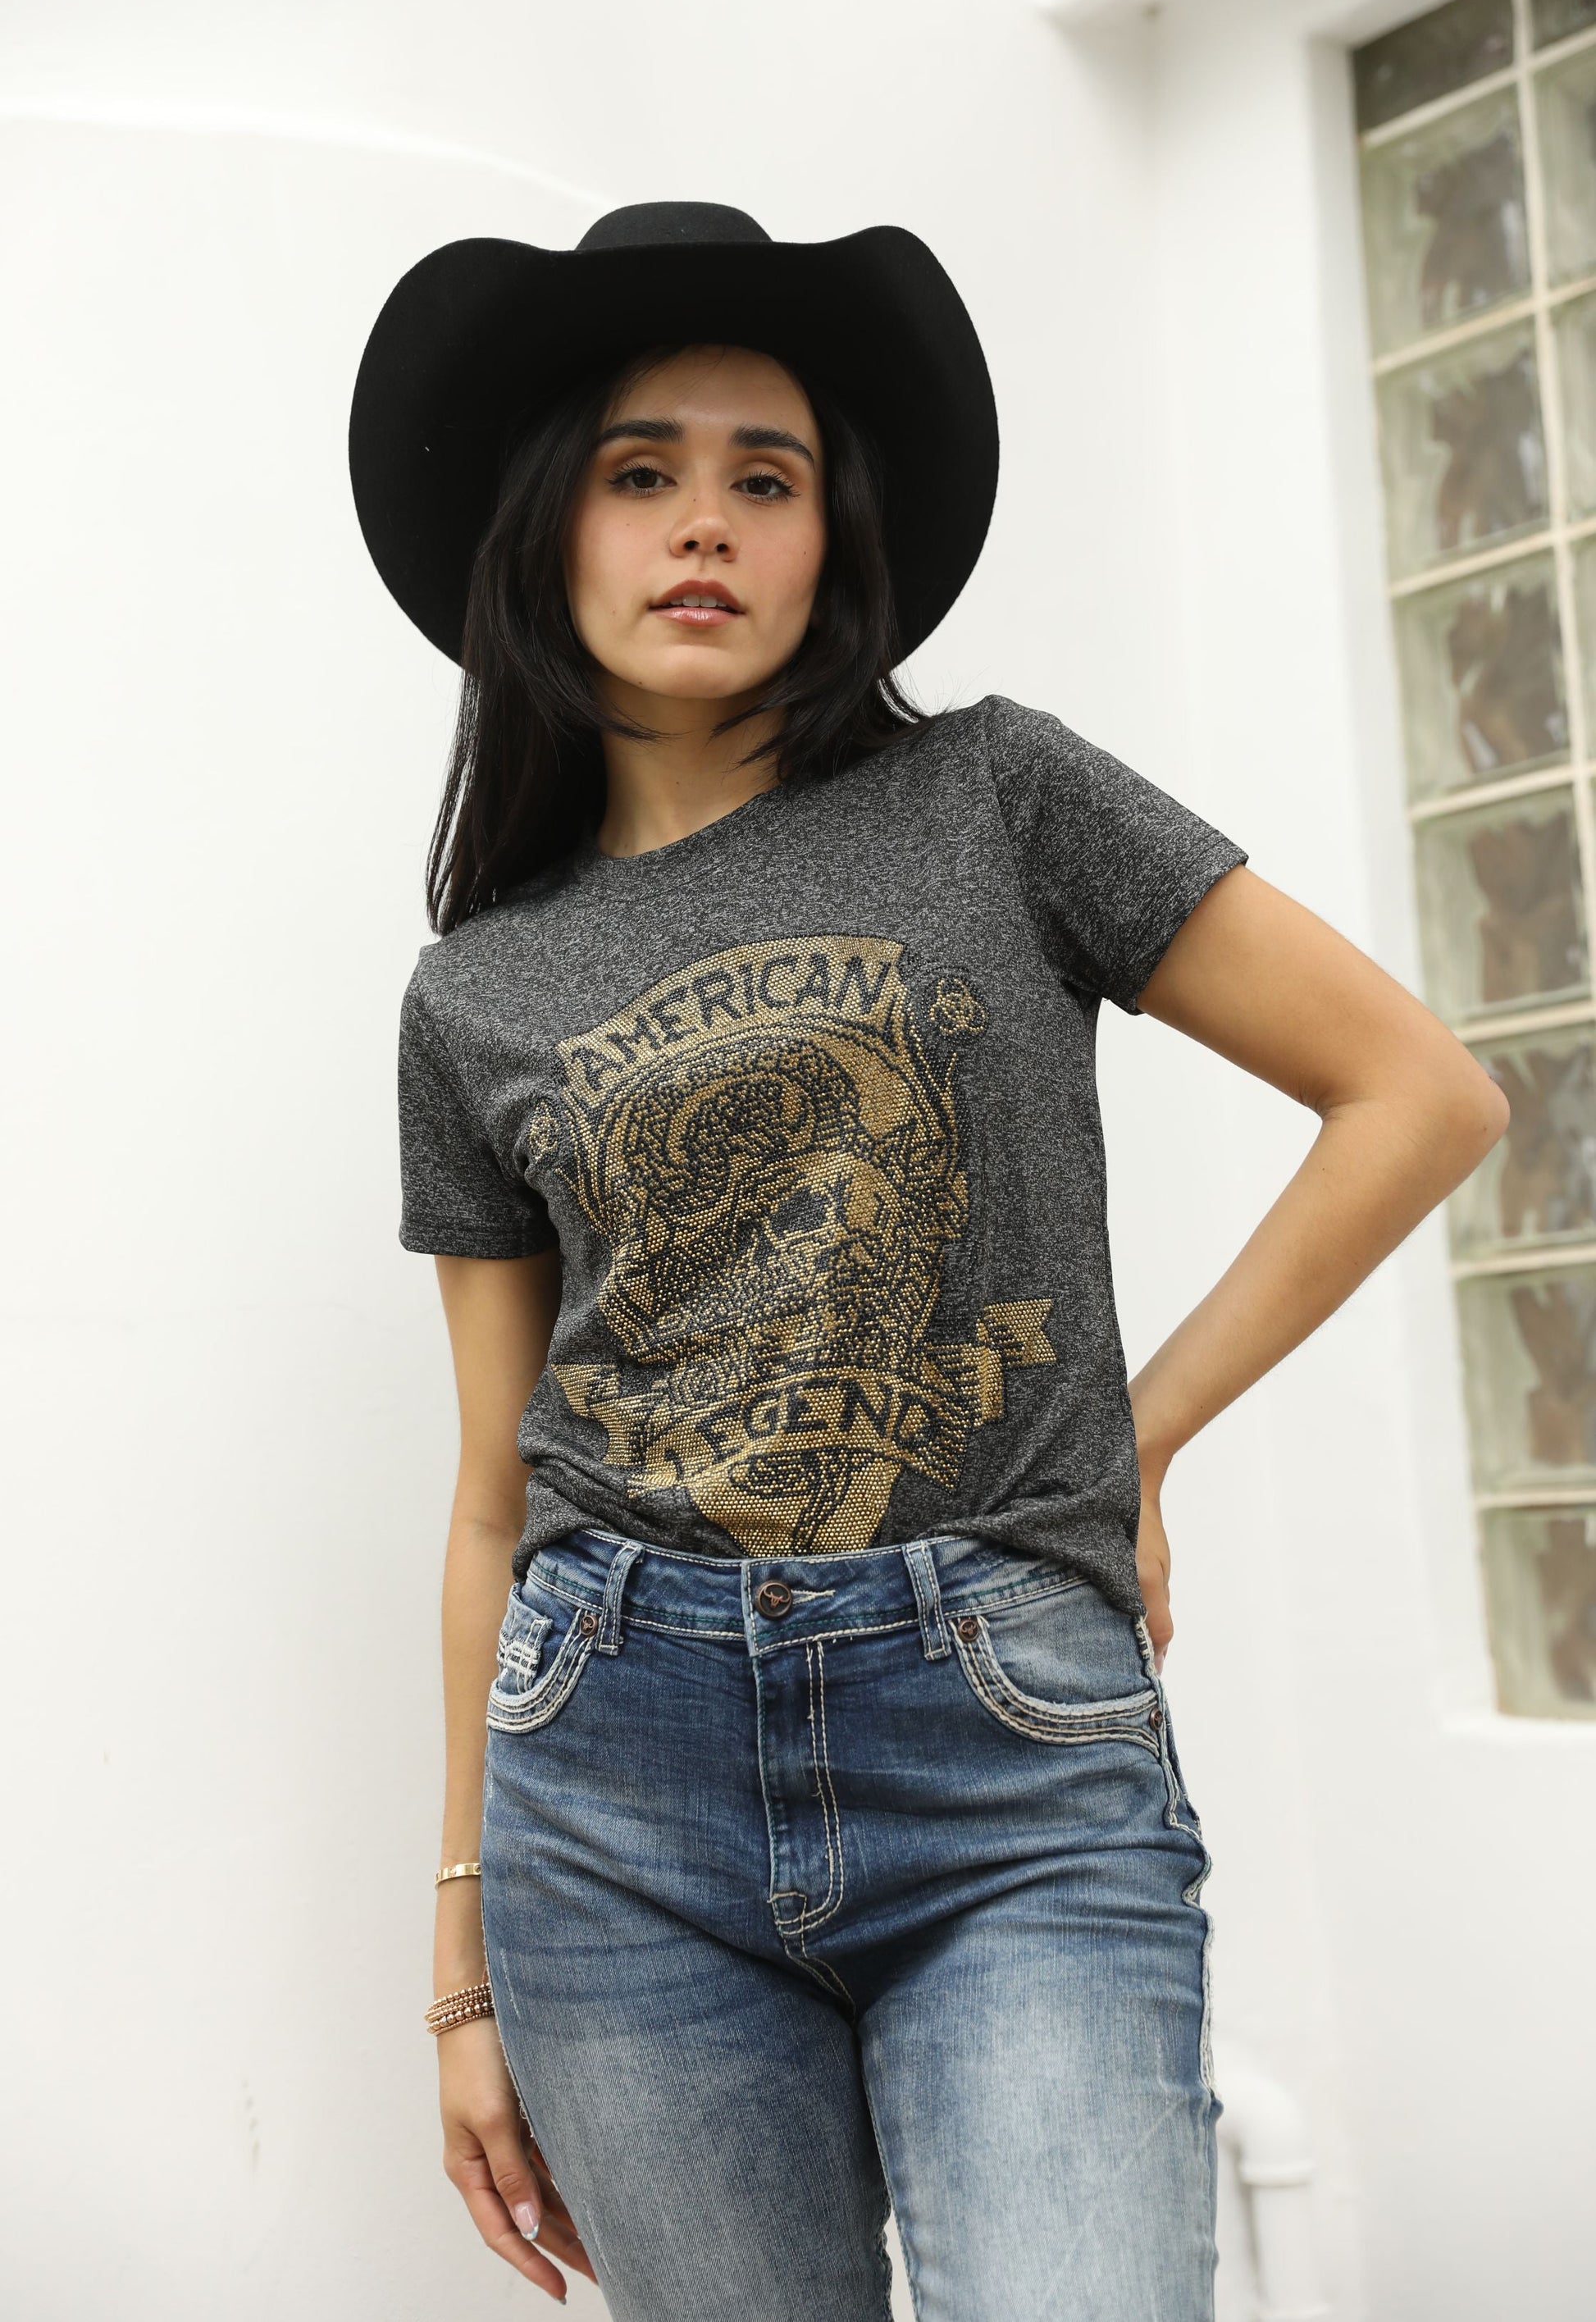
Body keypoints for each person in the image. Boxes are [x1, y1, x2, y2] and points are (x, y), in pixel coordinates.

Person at [349, 203, 1507, 2321]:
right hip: (609, 1792)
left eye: (765, 478)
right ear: (549, 530)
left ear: (832, 539)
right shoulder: (475, 991)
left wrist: (1134, 1439)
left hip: (1006, 1747)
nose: (706, 524)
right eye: (641, 472)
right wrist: (459, 1967)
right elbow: (493, 1496)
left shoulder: (996, 793)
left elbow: (1415, 1093)